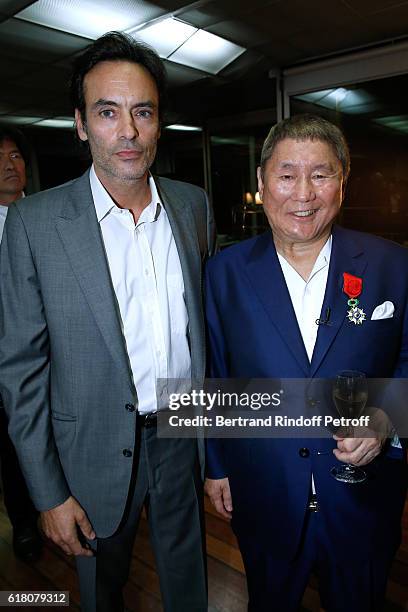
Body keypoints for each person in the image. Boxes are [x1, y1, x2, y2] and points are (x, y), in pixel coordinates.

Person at [0, 32, 215, 612]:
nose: (127, 131)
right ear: (80, 124)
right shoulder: (34, 225)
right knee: (103, 591)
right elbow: (20, 370)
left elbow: (204, 337)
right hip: (89, 449)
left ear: (159, 121)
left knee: (188, 580)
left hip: (181, 435)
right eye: (107, 112)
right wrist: (47, 493)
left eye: (142, 111)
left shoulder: (192, 205)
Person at [204, 114, 407, 612]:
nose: (303, 193)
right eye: (287, 174)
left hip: (363, 499)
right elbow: (216, 372)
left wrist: (386, 419)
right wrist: (216, 466)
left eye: (321, 174)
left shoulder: (393, 264)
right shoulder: (223, 272)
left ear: (343, 182)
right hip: (264, 490)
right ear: (261, 181)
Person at [0, 125, 43, 562]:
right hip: (6, 361)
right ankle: (25, 523)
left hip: (56, 359)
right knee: (14, 446)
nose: (9, 166)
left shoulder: (49, 218)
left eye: (15, 156)